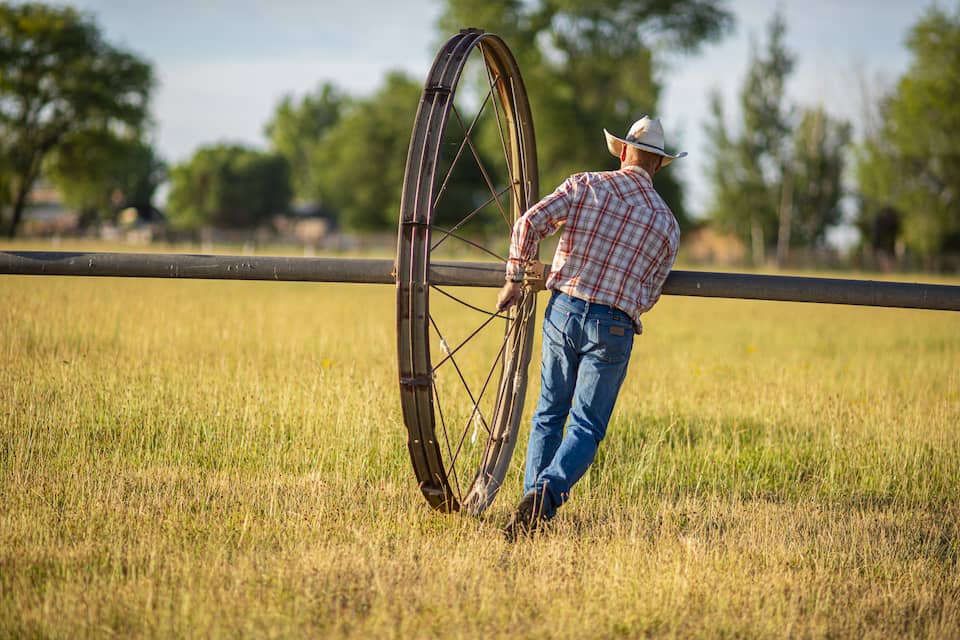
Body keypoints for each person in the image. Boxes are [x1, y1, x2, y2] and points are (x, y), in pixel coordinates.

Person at [496, 116, 685, 540]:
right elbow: (649, 292)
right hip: (613, 325)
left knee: (549, 412)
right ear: (659, 165)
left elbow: (528, 224)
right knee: (586, 425)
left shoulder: (585, 185)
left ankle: (531, 506)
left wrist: (514, 277)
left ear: (622, 151)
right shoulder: (667, 224)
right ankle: (544, 497)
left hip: (564, 309)